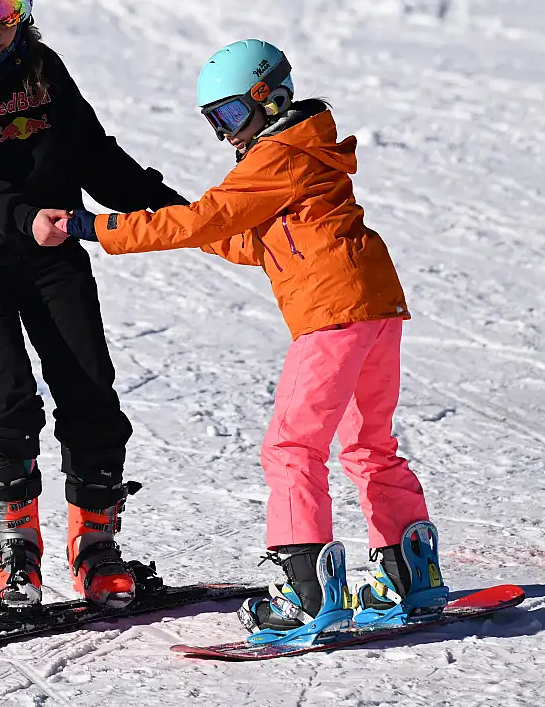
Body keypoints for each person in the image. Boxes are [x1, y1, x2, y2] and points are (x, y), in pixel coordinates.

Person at [54, 39, 450, 644]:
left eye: (233, 116)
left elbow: (208, 218)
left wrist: (97, 226)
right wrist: (186, 226)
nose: (226, 134)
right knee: (368, 444)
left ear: (272, 97)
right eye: (216, 122)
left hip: (332, 313)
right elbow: (245, 240)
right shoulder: (303, 149)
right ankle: (409, 572)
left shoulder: (277, 157)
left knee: (292, 447)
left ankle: (306, 592)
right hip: (374, 305)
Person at [0, 0, 187, 611]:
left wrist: (183, 212)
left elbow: (95, 155)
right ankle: (16, 552)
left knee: (90, 394)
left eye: (9, 7)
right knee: (6, 398)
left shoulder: (44, 69)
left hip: (53, 254)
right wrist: (23, 214)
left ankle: (95, 548)